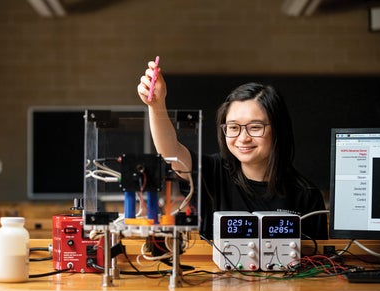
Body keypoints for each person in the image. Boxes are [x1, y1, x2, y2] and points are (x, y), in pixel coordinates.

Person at [137, 59, 328, 240]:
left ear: (278, 129)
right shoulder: (212, 173)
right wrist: (156, 105)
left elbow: (317, 262)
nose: (243, 138)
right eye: (234, 127)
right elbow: (172, 155)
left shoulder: (306, 195)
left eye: (255, 127)